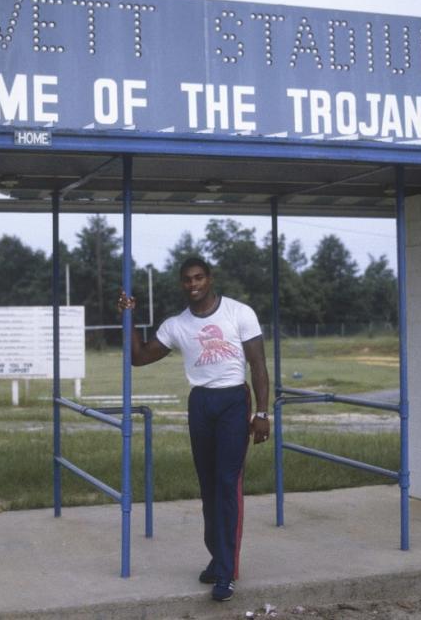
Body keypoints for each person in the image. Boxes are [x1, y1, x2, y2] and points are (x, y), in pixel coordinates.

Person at [118, 257, 270, 603]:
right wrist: (128, 315)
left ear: (210, 279)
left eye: (199, 277)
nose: (193, 284)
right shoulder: (177, 325)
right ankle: (217, 557)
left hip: (233, 399)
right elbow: (138, 357)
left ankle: (228, 572)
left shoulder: (238, 312)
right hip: (200, 403)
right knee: (208, 485)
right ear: (182, 284)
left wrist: (262, 412)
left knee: (228, 483)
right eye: (187, 280)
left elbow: (258, 365)